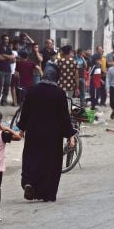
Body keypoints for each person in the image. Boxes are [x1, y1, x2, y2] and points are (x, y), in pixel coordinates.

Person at [17, 64, 76, 202]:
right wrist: (70, 135)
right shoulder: (59, 93)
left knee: (32, 157)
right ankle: (47, 193)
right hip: (53, 135)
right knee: (50, 162)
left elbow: (25, 112)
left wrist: (21, 129)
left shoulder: (32, 91)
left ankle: (29, 182)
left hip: (33, 132)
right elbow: (64, 117)